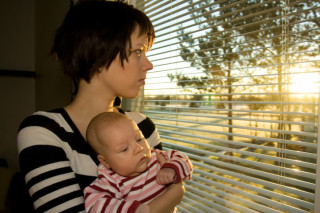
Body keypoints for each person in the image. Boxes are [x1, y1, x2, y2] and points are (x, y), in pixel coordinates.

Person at [16, 1, 185, 212]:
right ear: (98, 53)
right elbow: (169, 196)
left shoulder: (142, 125)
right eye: (138, 51)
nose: (148, 64)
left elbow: (160, 189)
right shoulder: (44, 132)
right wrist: (174, 195)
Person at [84, 112, 193, 213]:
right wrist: (133, 209)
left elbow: (183, 160)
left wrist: (171, 168)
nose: (139, 148)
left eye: (139, 139)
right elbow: (95, 205)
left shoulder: (156, 158)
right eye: (124, 149)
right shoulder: (110, 181)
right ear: (105, 161)